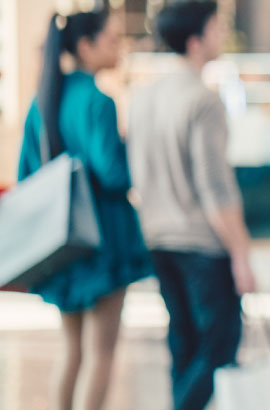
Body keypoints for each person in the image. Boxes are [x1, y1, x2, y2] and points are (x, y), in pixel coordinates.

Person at [16, 9, 152, 410]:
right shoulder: (99, 100)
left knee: (72, 349)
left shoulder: (42, 101)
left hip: (61, 241)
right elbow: (113, 174)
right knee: (102, 352)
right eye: (112, 39)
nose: (119, 47)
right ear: (85, 46)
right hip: (104, 239)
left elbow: (26, 173)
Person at [125, 2, 255, 409]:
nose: (222, 35)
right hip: (202, 244)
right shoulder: (203, 101)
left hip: (159, 239)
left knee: (183, 344)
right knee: (219, 347)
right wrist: (241, 254)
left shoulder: (143, 99)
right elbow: (215, 188)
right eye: (217, 27)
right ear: (196, 40)